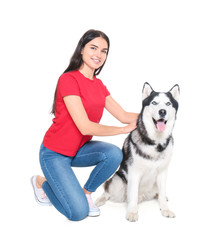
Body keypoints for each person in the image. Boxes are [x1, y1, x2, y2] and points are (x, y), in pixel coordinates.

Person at [31, 29, 138, 221]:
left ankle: (86, 193)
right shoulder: (69, 79)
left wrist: (154, 116)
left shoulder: (98, 85)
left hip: (79, 150)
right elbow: (85, 127)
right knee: (77, 213)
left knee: (114, 154)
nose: (98, 54)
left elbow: (122, 115)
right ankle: (42, 182)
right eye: (93, 48)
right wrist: (122, 131)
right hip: (54, 154)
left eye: (104, 51)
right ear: (82, 49)